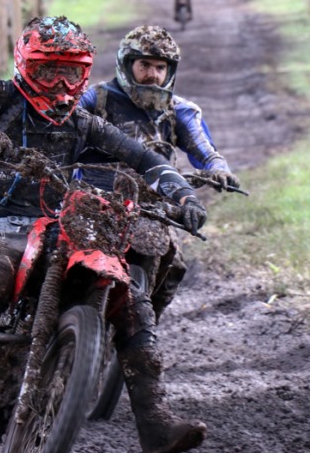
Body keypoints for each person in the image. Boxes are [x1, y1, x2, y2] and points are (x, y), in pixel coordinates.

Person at [0, 16, 207, 453]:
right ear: (25, 66)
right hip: (2, 221)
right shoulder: (2, 97)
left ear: (85, 73)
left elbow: (145, 157)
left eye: (71, 72)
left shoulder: (84, 121)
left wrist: (184, 194)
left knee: (133, 298)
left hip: (58, 219)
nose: (59, 82)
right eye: (48, 69)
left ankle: (154, 422)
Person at [77, 25, 239, 320]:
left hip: (152, 207)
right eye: (145, 65)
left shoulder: (180, 110)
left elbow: (204, 149)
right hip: (93, 199)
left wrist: (219, 170)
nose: (152, 74)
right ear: (127, 65)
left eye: (160, 67)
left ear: (170, 71)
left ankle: (139, 334)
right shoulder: (94, 99)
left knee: (173, 267)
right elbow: (62, 132)